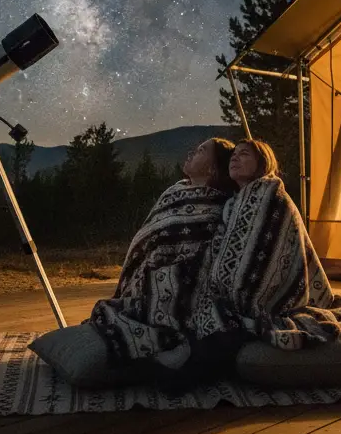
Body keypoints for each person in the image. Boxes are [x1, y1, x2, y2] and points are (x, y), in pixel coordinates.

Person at [191, 138, 341, 361]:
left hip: (272, 294)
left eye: (244, 154)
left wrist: (244, 289)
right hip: (230, 292)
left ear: (262, 163)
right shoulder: (232, 204)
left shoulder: (271, 194)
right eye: (234, 154)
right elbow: (224, 248)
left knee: (220, 323)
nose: (235, 158)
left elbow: (271, 249)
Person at [87, 137, 237, 369]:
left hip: (183, 290)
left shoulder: (218, 205)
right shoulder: (175, 191)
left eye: (200, 150)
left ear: (213, 167)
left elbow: (201, 252)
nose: (191, 152)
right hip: (144, 279)